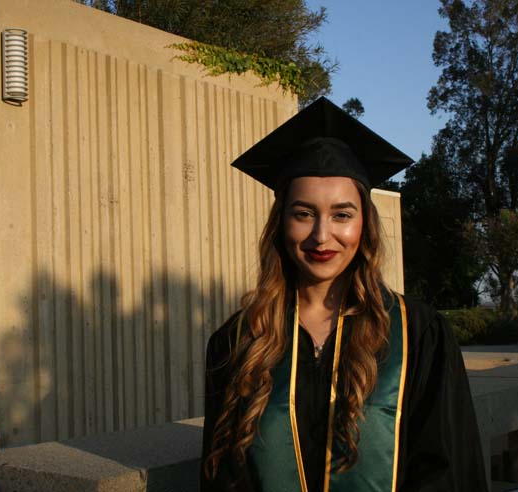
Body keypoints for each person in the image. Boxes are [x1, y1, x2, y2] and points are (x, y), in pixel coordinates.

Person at [200, 97, 487, 492]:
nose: (322, 236)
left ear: (364, 223)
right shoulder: (238, 342)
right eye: (303, 213)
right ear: (281, 223)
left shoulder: (419, 335)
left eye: (342, 214)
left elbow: (448, 472)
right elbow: (222, 479)